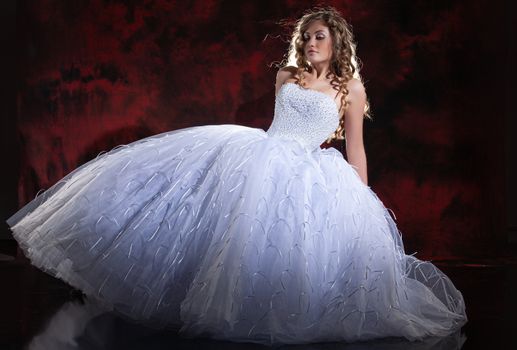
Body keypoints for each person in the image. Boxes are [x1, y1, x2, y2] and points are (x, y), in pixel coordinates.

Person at [7, 6, 466, 346]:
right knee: (226, 231)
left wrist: (361, 204)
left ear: (337, 42)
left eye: (319, 36)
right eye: (306, 36)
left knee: (291, 250)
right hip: (262, 156)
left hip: (313, 170)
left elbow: (356, 151)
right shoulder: (287, 75)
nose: (309, 43)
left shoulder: (352, 90)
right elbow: (281, 126)